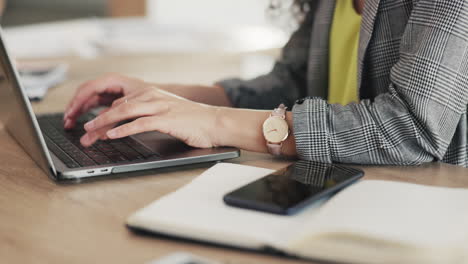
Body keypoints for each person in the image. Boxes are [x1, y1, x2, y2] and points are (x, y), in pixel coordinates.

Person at [63, 0, 468, 167]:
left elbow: (410, 128)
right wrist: (165, 98)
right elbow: (291, 82)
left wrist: (214, 122)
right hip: (344, 185)